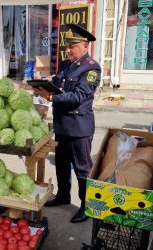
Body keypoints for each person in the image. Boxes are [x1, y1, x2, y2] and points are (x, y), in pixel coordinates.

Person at [33, 24, 101, 223]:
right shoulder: (66, 64)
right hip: (62, 124)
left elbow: (79, 96)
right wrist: (42, 86)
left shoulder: (91, 67)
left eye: (72, 46)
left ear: (85, 46)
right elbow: (58, 85)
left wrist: (51, 98)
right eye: (66, 46)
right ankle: (63, 195)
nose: (68, 50)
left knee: (82, 169)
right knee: (61, 164)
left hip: (79, 127)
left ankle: (86, 206)